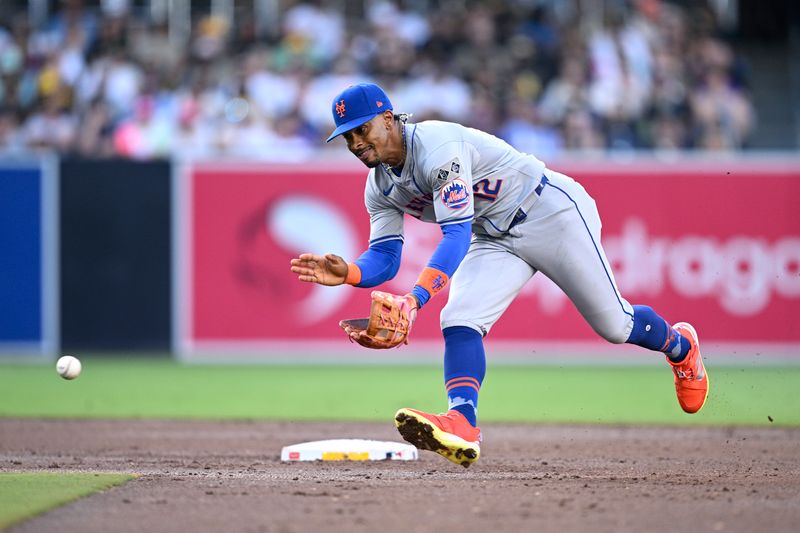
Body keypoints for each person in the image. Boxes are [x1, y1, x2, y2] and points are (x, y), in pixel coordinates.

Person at [289, 83, 708, 468]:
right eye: (348, 136)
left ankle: (679, 344)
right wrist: (351, 272)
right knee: (459, 320)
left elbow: (453, 235)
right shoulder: (378, 185)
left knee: (616, 325)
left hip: (548, 212)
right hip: (491, 234)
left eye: (363, 130)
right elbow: (386, 255)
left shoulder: (437, 147)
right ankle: (462, 421)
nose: (357, 142)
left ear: (388, 118)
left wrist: (414, 299)